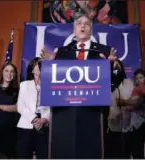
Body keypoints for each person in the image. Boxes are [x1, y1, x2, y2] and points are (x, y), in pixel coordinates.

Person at [40, 14, 116, 159]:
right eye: (79, 23)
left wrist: (112, 65)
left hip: (94, 112)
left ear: (91, 30)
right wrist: (49, 64)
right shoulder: (62, 52)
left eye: (86, 24)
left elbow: (118, 78)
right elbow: (49, 79)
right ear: (74, 29)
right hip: (65, 112)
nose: (82, 26)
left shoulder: (104, 51)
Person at [16, 58, 50, 159]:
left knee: (43, 155)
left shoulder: (51, 85)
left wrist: (45, 119)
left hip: (45, 124)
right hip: (26, 124)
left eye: (41, 64)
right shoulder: (24, 85)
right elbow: (20, 106)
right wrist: (34, 119)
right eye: (36, 64)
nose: (39, 66)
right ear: (31, 69)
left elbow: (52, 107)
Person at [119, 69, 145, 159]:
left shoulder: (142, 88)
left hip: (140, 122)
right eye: (136, 79)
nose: (138, 80)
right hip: (132, 122)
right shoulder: (135, 88)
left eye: (141, 78)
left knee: (138, 151)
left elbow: (142, 96)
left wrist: (126, 102)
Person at [105, 59, 129, 158]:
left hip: (121, 126)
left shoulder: (126, 83)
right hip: (105, 126)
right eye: (112, 66)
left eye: (117, 66)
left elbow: (127, 100)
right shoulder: (102, 84)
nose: (114, 68)